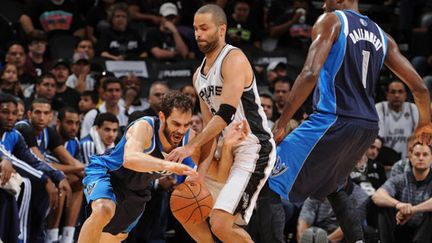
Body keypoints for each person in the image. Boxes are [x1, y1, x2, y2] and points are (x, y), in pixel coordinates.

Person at [270, 0, 432, 242]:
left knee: (267, 181)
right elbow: (419, 87)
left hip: (333, 119)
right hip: (367, 127)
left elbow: (310, 73)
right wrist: (425, 124)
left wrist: (282, 122)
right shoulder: (382, 36)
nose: (323, 3)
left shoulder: (331, 21)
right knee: (334, 187)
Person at [167, 4, 276, 243]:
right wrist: (200, 174)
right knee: (184, 203)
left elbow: (225, 113)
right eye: (195, 29)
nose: (198, 34)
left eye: (204, 28)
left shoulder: (234, 58)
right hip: (226, 149)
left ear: (221, 29)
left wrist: (190, 147)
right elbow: (210, 129)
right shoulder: (198, 75)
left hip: (253, 148)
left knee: (221, 223)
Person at [77, 91, 197, 243]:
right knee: (103, 210)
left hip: (137, 189)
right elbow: (131, 159)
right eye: (176, 123)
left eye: (186, 124)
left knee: (111, 238)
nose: (181, 130)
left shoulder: (189, 138)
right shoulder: (145, 127)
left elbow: (209, 151)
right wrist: (171, 166)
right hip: (109, 173)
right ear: (162, 117)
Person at [372, 142, 432, 243]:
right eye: (417, 154)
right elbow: (377, 196)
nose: (421, 158)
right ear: (410, 157)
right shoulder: (401, 179)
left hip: (426, 233)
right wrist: (398, 205)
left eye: (425, 154)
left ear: (431, 158)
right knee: (383, 206)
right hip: (402, 227)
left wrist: (412, 210)